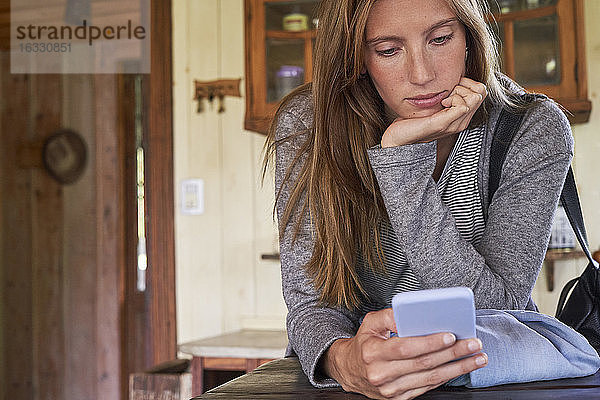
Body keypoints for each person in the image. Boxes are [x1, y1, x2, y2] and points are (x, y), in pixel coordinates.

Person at [262, 0, 573, 398]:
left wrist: (400, 162)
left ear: (469, 39)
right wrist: (345, 360)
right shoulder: (309, 125)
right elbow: (310, 305)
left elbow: (501, 306)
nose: (422, 75)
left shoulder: (531, 127)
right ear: (357, 57)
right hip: (350, 388)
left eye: (441, 39)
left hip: (486, 378)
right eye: (389, 50)